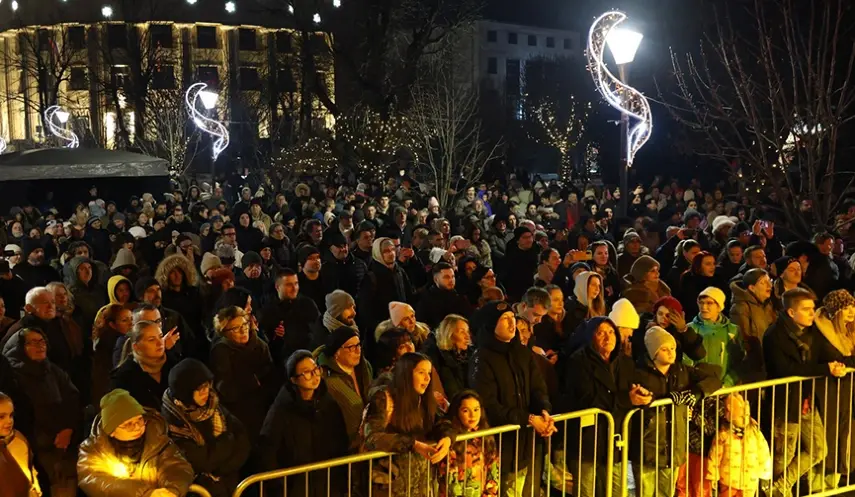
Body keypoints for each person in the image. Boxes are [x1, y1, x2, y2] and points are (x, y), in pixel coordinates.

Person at [763, 288, 848, 496]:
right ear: (791, 312)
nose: (813, 313)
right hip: (785, 402)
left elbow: (826, 356)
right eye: (807, 309)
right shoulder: (774, 335)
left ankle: (781, 486)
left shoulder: (812, 331)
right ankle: (779, 490)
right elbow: (785, 370)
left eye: (812, 308)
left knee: (819, 449)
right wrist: (824, 369)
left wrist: (838, 365)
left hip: (806, 401)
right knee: (784, 455)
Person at [468, 301, 556, 495]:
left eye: (512, 318)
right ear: (492, 325)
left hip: (526, 443)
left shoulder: (522, 353)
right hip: (500, 446)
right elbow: (488, 404)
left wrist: (544, 410)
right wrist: (529, 419)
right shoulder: (481, 358)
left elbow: (537, 387)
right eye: (505, 319)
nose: (512, 324)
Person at [631, 327, 721, 497]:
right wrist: (658, 398)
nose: (671, 353)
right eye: (664, 349)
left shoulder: (681, 370)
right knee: (645, 492)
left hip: (673, 446)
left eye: (672, 348)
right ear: (654, 353)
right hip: (647, 446)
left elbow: (715, 377)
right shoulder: (638, 373)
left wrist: (696, 392)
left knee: (666, 492)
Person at [561, 316, 645, 497]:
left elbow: (634, 388)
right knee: (587, 491)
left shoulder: (625, 362)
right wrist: (626, 399)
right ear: (591, 336)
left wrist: (644, 396)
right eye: (601, 333)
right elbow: (589, 398)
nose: (608, 338)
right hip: (587, 442)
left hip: (615, 442)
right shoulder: (578, 362)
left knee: (616, 491)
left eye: (611, 332)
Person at [258, 350, 349, 497]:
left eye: (316, 369)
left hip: (326, 484)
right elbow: (268, 451)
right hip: (295, 486)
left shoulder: (328, 404)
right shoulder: (281, 410)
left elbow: (340, 442)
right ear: (294, 379)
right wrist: (280, 487)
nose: (314, 376)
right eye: (306, 372)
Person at [3, 327, 80, 497]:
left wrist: (68, 428)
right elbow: (23, 411)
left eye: (42, 341)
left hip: (63, 441)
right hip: (34, 445)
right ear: (19, 347)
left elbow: (72, 399)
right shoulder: (13, 376)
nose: (40, 346)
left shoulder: (53, 370)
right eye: (33, 342)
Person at [361, 352, 451, 497]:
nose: (427, 378)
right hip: (390, 483)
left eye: (429, 373)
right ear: (407, 373)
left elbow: (442, 422)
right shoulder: (384, 398)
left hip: (420, 483)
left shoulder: (425, 400)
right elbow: (372, 437)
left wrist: (447, 438)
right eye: (421, 372)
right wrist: (412, 444)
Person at [77, 388, 195, 497]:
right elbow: (94, 479)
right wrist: (145, 493)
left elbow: (176, 467)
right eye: (128, 424)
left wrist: (172, 490)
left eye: (139, 420)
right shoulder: (94, 450)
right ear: (111, 431)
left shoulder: (158, 441)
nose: (137, 427)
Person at [161, 359, 250, 497]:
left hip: (229, 485)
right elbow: (201, 461)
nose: (205, 392)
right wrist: (228, 440)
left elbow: (242, 438)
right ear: (185, 392)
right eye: (199, 389)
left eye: (207, 386)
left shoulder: (213, 406)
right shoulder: (173, 423)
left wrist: (224, 469)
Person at [809, 289, 855, 487]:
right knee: (829, 433)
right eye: (845, 307)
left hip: (846, 389)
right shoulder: (821, 333)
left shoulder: (850, 331)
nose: (851, 311)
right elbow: (835, 359)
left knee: (844, 433)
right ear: (835, 311)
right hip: (827, 390)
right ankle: (819, 482)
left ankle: (836, 477)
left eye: (852, 305)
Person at [209, 305, 274, 443]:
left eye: (244, 324)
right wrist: (251, 381)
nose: (243, 330)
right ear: (225, 332)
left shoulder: (260, 345)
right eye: (235, 328)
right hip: (238, 411)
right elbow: (225, 387)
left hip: (263, 406)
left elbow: (269, 375)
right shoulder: (221, 351)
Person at [315, 326, 373, 450]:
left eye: (358, 345)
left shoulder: (365, 368)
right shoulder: (327, 380)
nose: (357, 351)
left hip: (368, 439)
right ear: (337, 352)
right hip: (345, 444)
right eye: (351, 347)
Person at [435, 390, 500, 497]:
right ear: (457, 412)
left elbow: (492, 474)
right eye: (465, 410)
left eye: (476, 410)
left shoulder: (487, 437)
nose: (472, 415)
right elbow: (450, 484)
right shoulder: (451, 439)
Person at [259, 269, 320, 370]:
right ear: (277, 287)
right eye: (289, 285)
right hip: (283, 365)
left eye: (296, 284)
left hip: (309, 357)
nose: (294, 288)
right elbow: (266, 343)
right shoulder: (268, 310)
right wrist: (276, 337)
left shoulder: (307, 304)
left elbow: (317, 331)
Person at [110, 320, 175, 409]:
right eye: (151, 340)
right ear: (136, 346)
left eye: (160, 337)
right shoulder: (124, 377)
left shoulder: (173, 366)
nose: (160, 343)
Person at [684, 287, 743, 387]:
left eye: (709, 303)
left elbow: (738, 363)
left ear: (719, 306)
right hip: (699, 390)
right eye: (701, 302)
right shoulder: (690, 329)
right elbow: (686, 361)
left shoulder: (733, 331)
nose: (704, 307)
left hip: (726, 390)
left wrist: (727, 384)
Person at [729, 269, 776, 379]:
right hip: (754, 366)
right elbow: (742, 339)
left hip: (769, 361)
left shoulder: (768, 305)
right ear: (752, 288)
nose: (769, 285)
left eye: (770, 281)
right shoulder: (741, 307)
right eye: (763, 283)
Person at [0, 391, 42, 497]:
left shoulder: (18, 439)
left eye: (11, 415)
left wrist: (34, 487)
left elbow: (29, 469)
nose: (9, 421)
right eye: (1, 417)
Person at [91, 304, 134, 404]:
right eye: (124, 320)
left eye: (132, 318)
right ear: (112, 325)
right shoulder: (114, 344)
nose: (131, 323)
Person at [422, 314, 471, 400]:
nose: (467, 337)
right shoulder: (436, 357)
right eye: (462, 332)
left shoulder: (470, 355)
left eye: (467, 332)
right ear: (449, 334)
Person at [416, 262, 473, 329]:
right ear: (436, 279)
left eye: (453, 276)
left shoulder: (459, 297)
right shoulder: (425, 300)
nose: (451, 280)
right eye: (446, 277)